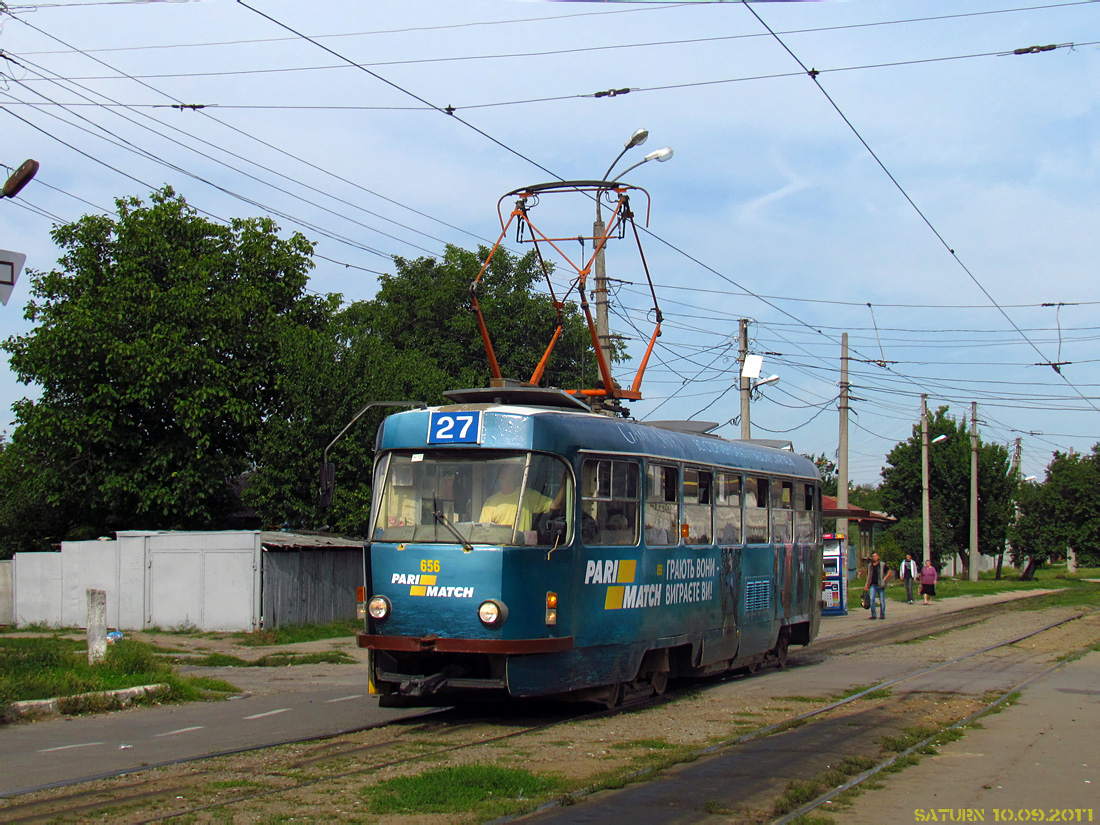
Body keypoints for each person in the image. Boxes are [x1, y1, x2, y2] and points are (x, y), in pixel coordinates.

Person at [479, 464, 556, 532]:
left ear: (515, 475)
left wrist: (565, 479)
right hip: (499, 547)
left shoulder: (527, 495)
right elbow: (483, 532)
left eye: (507, 471)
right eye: (501, 472)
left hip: (521, 547)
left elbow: (554, 505)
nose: (503, 474)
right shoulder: (490, 502)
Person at [862, 551, 892, 620]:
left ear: (878, 557)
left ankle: (882, 614)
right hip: (873, 585)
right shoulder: (870, 566)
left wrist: (884, 579)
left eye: (875, 556)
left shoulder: (882, 564)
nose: (874, 558)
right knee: (872, 599)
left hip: (880, 585)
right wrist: (866, 584)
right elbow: (868, 576)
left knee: (881, 601)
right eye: (873, 556)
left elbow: (889, 571)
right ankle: (873, 614)